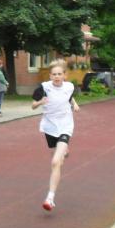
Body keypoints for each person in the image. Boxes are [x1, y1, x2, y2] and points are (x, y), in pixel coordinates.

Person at [31, 59, 79, 211]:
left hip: (65, 126)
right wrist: (40, 102)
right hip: (50, 127)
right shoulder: (43, 88)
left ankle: (50, 198)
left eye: (59, 74)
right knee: (57, 159)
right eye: (54, 74)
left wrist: (74, 104)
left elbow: (69, 97)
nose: (57, 76)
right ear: (50, 76)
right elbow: (33, 106)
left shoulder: (69, 86)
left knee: (55, 162)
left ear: (65, 75)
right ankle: (63, 150)